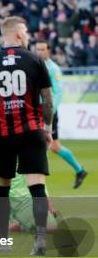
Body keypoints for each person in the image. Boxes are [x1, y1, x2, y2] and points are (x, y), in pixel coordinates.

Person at [0, 16, 54, 256]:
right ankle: (39, 241)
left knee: (1, 187)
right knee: (37, 185)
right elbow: (47, 100)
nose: (27, 35)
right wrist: (47, 129)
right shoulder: (36, 60)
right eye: (26, 31)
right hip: (31, 131)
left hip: (3, 135)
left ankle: (3, 240)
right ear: (18, 34)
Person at [0, 137, 57, 236]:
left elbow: (38, 177)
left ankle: (17, 225)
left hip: (23, 198)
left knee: (51, 227)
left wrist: (46, 201)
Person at [34, 41, 88, 188]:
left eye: (42, 49)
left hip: (47, 113)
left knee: (44, 144)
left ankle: (35, 179)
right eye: (37, 49)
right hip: (36, 110)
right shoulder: (35, 66)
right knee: (54, 146)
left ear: (48, 51)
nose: (39, 52)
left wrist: (50, 111)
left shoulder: (53, 68)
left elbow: (57, 93)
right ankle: (80, 171)